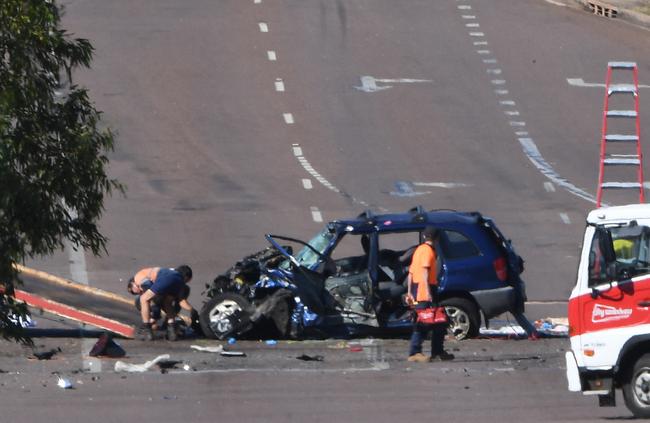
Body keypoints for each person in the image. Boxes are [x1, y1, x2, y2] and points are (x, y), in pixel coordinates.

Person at [406, 226, 454, 362]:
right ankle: (414, 352)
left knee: (439, 321)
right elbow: (425, 272)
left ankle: (437, 351)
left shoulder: (418, 250)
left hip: (416, 289)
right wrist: (428, 292)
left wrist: (409, 292)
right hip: (425, 290)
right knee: (423, 323)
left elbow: (410, 273)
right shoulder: (428, 252)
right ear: (437, 238)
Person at [127, 265, 197, 341]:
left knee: (144, 299)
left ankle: (146, 330)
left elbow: (151, 293)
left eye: (132, 291)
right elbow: (181, 301)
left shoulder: (138, 277)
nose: (135, 293)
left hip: (165, 278)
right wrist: (192, 310)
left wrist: (154, 317)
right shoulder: (173, 273)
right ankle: (171, 330)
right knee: (168, 303)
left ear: (133, 283)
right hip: (177, 281)